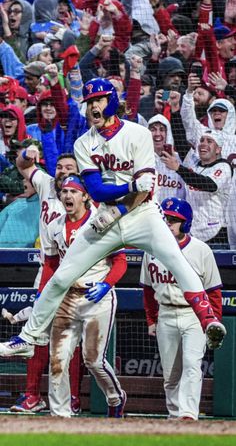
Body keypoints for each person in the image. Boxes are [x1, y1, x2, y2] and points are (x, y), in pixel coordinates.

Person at [0, 78, 226, 360]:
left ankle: (208, 321)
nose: (94, 106)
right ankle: (29, 338)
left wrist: (120, 208)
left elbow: (145, 192)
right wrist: (129, 189)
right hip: (106, 217)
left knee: (178, 262)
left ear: (112, 101)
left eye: (99, 100)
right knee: (61, 277)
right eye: (89, 102)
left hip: (141, 215)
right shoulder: (84, 143)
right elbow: (96, 189)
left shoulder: (138, 133)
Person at [6, 151, 82, 413]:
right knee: (36, 334)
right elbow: (22, 164)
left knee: (72, 339)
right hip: (47, 270)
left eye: (69, 167)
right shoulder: (47, 184)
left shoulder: (86, 197)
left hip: (75, 276)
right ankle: (32, 396)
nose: (62, 171)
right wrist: (27, 154)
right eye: (59, 166)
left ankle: (72, 397)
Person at [46, 174, 127, 417]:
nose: (67, 196)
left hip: (97, 297)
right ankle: (60, 416)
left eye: (73, 191)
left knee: (93, 360)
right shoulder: (55, 225)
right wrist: (43, 297)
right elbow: (50, 266)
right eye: (64, 192)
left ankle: (115, 397)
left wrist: (106, 284)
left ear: (85, 196)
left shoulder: (103, 221)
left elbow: (120, 262)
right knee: (57, 359)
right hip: (67, 298)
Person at [140, 197, 223, 421]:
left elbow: (213, 291)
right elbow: (148, 290)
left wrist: (212, 321)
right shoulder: (151, 249)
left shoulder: (201, 250)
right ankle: (174, 415)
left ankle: (188, 415)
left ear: (185, 223)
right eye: (165, 219)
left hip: (194, 315)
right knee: (170, 374)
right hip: (165, 312)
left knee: (192, 364)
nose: (168, 224)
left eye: (174, 220)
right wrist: (151, 320)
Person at [160, 129, 233, 243]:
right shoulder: (194, 164)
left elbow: (209, 184)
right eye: (202, 140)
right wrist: (175, 113)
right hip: (193, 232)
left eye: (209, 141)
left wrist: (178, 168)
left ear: (218, 149)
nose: (203, 143)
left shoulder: (224, 166)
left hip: (216, 234)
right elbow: (180, 142)